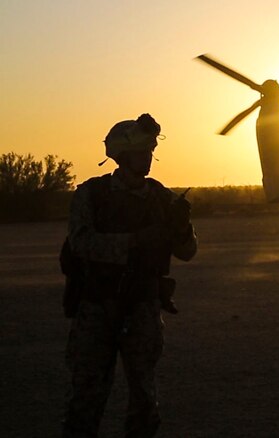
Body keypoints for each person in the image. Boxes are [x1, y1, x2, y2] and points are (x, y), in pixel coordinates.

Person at [62, 113, 197, 437]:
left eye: (150, 151)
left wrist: (181, 227)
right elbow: (80, 243)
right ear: (122, 157)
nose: (148, 158)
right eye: (141, 152)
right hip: (97, 307)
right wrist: (134, 242)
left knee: (144, 398)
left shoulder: (161, 197)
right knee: (86, 397)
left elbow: (188, 252)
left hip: (143, 308)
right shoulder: (91, 195)